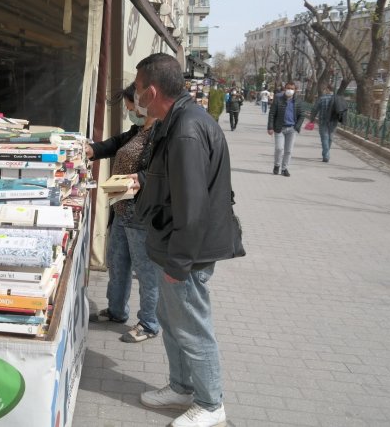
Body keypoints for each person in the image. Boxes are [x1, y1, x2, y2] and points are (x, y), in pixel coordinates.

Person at [131, 53, 240, 427]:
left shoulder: (185, 129)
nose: (135, 94)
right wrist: (142, 183)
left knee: (192, 326)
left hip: (186, 252)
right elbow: (171, 184)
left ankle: (211, 404)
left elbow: (192, 206)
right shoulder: (175, 120)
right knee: (171, 318)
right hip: (175, 246)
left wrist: (179, 262)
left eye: (138, 87)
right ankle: (180, 387)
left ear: (153, 90)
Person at [86, 83, 162, 343]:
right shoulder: (138, 130)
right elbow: (115, 143)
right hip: (121, 210)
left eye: (130, 103)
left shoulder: (161, 132)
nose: (128, 108)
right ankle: (117, 310)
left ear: (143, 101)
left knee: (145, 270)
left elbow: (160, 169)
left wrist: (140, 177)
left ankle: (149, 323)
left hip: (141, 214)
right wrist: (93, 150)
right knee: (117, 264)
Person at [267, 81, 304, 177]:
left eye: (292, 89)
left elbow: (302, 115)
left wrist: (297, 127)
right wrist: (270, 127)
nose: (290, 90)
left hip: (292, 129)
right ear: (284, 89)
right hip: (279, 128)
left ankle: (284, 169)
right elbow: (272, 114)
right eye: (288, 88)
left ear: (295, 90)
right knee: (279, 148)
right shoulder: (278, 99)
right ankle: (277, 165)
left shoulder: (298, 101)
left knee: (288, 151)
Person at [308, 84, 338, 163]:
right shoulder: (337, 98)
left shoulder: (322, 98)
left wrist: (312, 119)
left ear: (327, 89)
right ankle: (327, 152)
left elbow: (315, 109)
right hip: (334, 121)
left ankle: (326, 155)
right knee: (330, 138)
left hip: (323, 121)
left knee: (324, 138)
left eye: (325, 89)